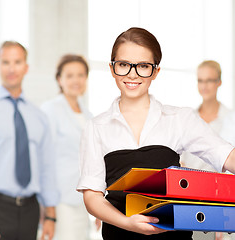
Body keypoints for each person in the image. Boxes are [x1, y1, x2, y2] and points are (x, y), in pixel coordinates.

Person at [76, 27, 235, 240]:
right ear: (112, 68)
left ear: (156, 72)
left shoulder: (179, 119)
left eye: (143, 66)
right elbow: (92, 197)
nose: (132, 74)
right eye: (124, 65)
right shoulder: (96, 127)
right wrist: (127, 223)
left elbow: (227, 156)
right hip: (119, 234)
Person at [0, 40, 58, 240]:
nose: (11, 68)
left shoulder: (38, 116)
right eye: (5, 62)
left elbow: (46, 167)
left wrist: (51, 215)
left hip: (30, 210)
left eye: (17, 62)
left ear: (26, 67)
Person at [41, 54, 94, 240]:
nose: (76, 80)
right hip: (60, 200)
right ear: (59, 79)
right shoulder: (49, 110)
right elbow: (44, 160)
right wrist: (49, 208)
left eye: (80, 75)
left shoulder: (89, 115)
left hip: (84, 199)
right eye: (69, 75)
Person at [181, 60, 231, 172]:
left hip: (222, 184)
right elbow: (181, 158)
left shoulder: (230, 119)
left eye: (209, 80)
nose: (204, 86)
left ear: (219, 82)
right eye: (200, 81)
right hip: (190, 184)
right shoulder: (188, 118)